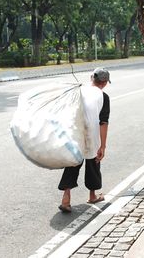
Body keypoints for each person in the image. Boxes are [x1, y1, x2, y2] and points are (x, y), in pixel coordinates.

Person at [58, 67, 111, 213]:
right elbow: (103, 122)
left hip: (76, 132)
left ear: (91, 78)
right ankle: (92, 196)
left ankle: (66, 198)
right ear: (105, 82)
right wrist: (103, 146)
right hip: (91, 134)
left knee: (73, 163)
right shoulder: (103, 97)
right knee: (94, 163)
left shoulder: (80, 91)